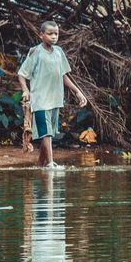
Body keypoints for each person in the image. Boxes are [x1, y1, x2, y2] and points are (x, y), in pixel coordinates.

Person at [18, 22, 88, 170]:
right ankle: (50, 164)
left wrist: (78, 91)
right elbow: (22, 74)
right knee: (46, 133)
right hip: (40, 100)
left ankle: (40, 166)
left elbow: (63, 75)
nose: (54, 36)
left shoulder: (59, 52)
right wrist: (25, 90)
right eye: (50, 33)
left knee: (48, 134)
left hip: (55, 99)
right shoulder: (35, 52)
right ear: (41, 35)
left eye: (56, 33)